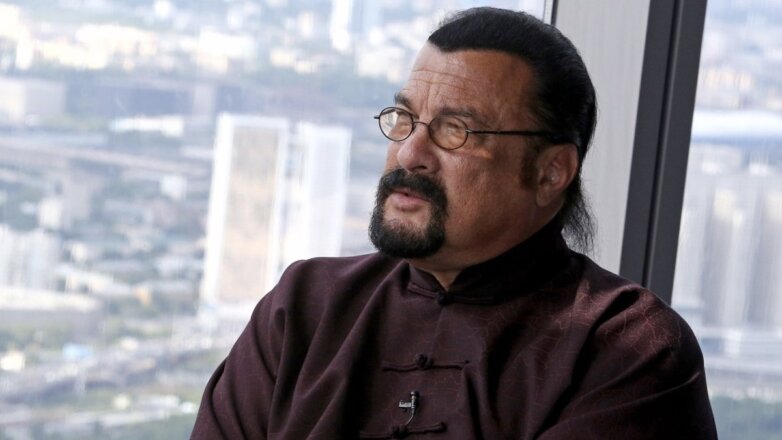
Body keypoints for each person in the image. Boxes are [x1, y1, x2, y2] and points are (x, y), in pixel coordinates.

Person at [191, 7, 717, 440]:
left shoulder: (625, 348)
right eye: (404, 119)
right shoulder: (306, 306)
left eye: (455, 131)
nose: (409, 154)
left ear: (550, 172)